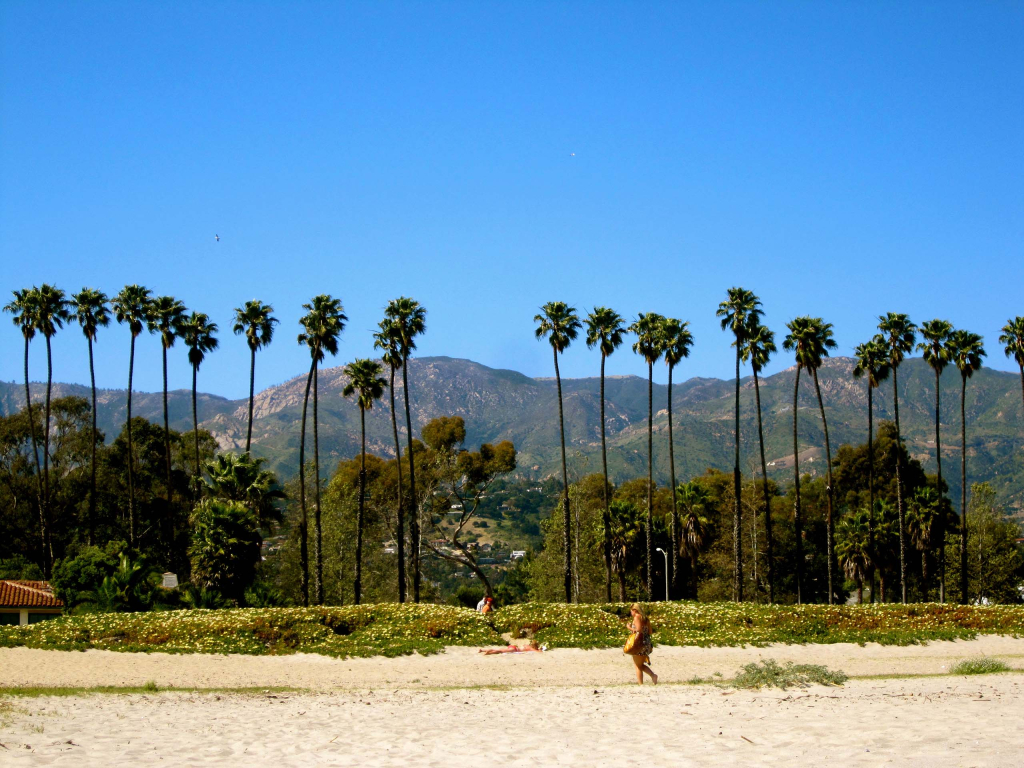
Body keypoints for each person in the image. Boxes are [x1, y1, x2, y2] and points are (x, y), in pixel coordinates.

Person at [624, 603, 657, 685]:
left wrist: (629, 627)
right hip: (646, 642)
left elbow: (638, 630)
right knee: (640, 664)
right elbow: (650, 631)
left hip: (639, 643)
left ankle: (642, 683)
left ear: (635, 610)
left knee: (637, 665)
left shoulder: (637, 617)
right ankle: (652, 676)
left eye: (631, 611)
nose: (631, 613)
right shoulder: (645, 618)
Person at [478, 639, 545, 655]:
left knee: (501, 649)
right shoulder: (529, 648)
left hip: (513, 646)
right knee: (501, 651)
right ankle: (489, 652)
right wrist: (540, 650)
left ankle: (482, 650)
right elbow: (537, 651)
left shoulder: (526, 645)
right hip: (515, 649)